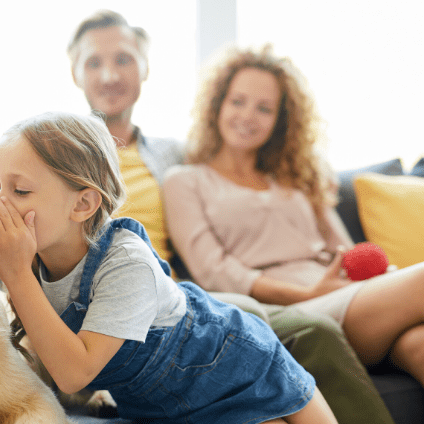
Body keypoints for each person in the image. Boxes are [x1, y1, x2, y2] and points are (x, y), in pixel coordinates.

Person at [67, 11, 409, 424]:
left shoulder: (169, 156)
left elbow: (344, 250)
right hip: (168, 302)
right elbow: (215, 269)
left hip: (260, 293)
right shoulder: (75, 156)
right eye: (94, 63)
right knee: (313, 327)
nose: (109, 75)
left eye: (123, 60)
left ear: (145, 68)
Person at [0, 111, 357, 424]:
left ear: (83, 205)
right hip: (161, 405)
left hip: (238, 367)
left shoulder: (125, 262)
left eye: (20, 191)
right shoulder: (22, 253)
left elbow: (74, 373)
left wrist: (16, 275)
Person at [162, 44, 424, 390]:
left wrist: (376, 280)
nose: (248, 116)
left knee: (418, 345)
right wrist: (307, 295)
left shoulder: (296, 179)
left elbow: (344, 250)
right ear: (217, 105)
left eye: (264, 108)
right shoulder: (185, 180)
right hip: (292, 312)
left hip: (345, 296)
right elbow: (215, 272)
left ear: (280, 119)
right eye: (237, 101)